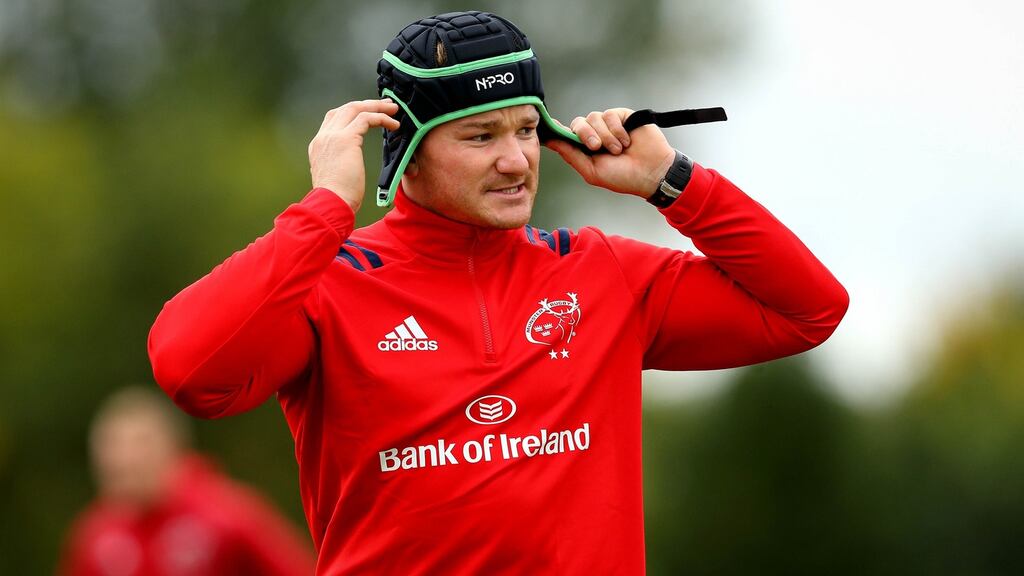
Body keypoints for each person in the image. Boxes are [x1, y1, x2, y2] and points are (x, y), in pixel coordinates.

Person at [148, 10, 848, 575]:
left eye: (525, 130)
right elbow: (189, 370)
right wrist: (326, 206)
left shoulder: (600, 272)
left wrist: (674, 183)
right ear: (409, 148)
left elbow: (810, 310)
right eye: (481, 136)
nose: (516, 160)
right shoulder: (329, 282)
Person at [57, 387, 316, 576]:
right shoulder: (95, 535)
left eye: (138, 445)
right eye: (112, 448)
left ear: (172, 447)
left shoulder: (228, 515)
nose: (123, 459)